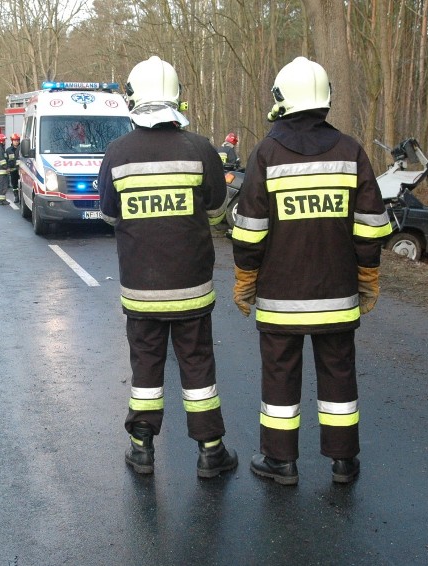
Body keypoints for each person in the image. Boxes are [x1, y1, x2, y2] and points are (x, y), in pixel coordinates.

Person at [231, 56, 393, 485]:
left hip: (279, 300)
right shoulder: (350, 151)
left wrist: (246, 278)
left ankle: (280, 462)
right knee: (339, 374)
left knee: (280, 376)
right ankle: (344, 461)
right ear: (324, 100)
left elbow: (249, 231)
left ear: (282, 99)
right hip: (338, 297)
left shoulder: (266, 153)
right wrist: (367, 275)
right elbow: (372, 225)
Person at [97, 55, 238, 479]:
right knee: (197, 365)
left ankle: (141, 449)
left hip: (140, 288)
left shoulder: (117, 153)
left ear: (134, 99)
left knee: (145, 366)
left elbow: (108, 214)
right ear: (177, 98)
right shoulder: (200, 149)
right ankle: (211, 451)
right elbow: (216, 211)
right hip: (192, 286)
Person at [6, 133, 21, 204]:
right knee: (14, 185)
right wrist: (7, 168)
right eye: (15, 140)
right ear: (12, 141)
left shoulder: (22, 148)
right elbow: (6, 160)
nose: (16, 142)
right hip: (13, 171)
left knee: (21, 184)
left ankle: (22, 197)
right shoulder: (8, 150)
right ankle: (16, 196)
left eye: (17, 140)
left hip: (21, 170)